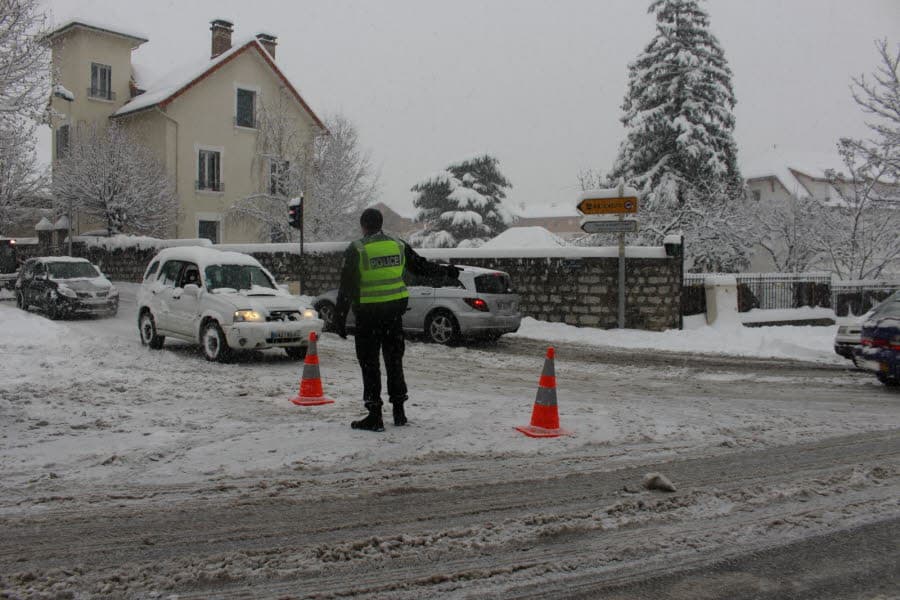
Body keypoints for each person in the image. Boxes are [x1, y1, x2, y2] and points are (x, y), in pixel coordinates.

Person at [335, 208, 460, 432]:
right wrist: (446, 272)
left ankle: (374, 415)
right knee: (394, 362)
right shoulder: (397, 244)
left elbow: (346, 287)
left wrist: (339, 318)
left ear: (363, 225)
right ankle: (399, 412)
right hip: (393, 315)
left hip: (368, 317)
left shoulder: (357, 249)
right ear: (380, 224)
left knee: (370, 364)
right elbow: (420, 266)